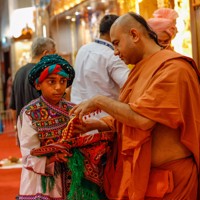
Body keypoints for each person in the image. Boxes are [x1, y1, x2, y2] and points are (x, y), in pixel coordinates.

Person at [69, 12, 200, 199]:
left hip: (172, 181)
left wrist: (99, 101)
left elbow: (142, 119)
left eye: (116, 43)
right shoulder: (140, 69)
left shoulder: (174, 69)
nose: (115, 52)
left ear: (134, 35)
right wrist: (96, 124)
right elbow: (129, 113)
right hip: (145, 177)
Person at [17, 54, 75, 199]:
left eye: (63, 81)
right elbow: (28, 155)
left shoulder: (73, 110)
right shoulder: (30, 113)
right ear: (38, 84)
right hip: (41, 183)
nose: (58, 87)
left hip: (71, 177)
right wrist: (53, 158)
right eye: (51, 82)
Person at [70, 14, 130, 119]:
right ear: (115, 32)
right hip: (103, 122)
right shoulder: (112, 56)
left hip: (78, 117)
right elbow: (130, 85)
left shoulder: (83, 49)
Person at [10, 36, 56, 145]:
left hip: (24, 133)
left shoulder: (19, 72)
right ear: (46, 54)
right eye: (54, 54)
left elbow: (13, 107)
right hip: (41, 135)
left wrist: (18, 129)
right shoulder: (42, 74)